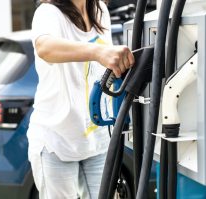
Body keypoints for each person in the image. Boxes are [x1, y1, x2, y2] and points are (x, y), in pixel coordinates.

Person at [27, 0, 135, 198]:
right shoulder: (49, 12)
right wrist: (98, 52)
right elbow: (45, 48)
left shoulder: (100, 10)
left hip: (96, 139)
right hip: (55, 141)